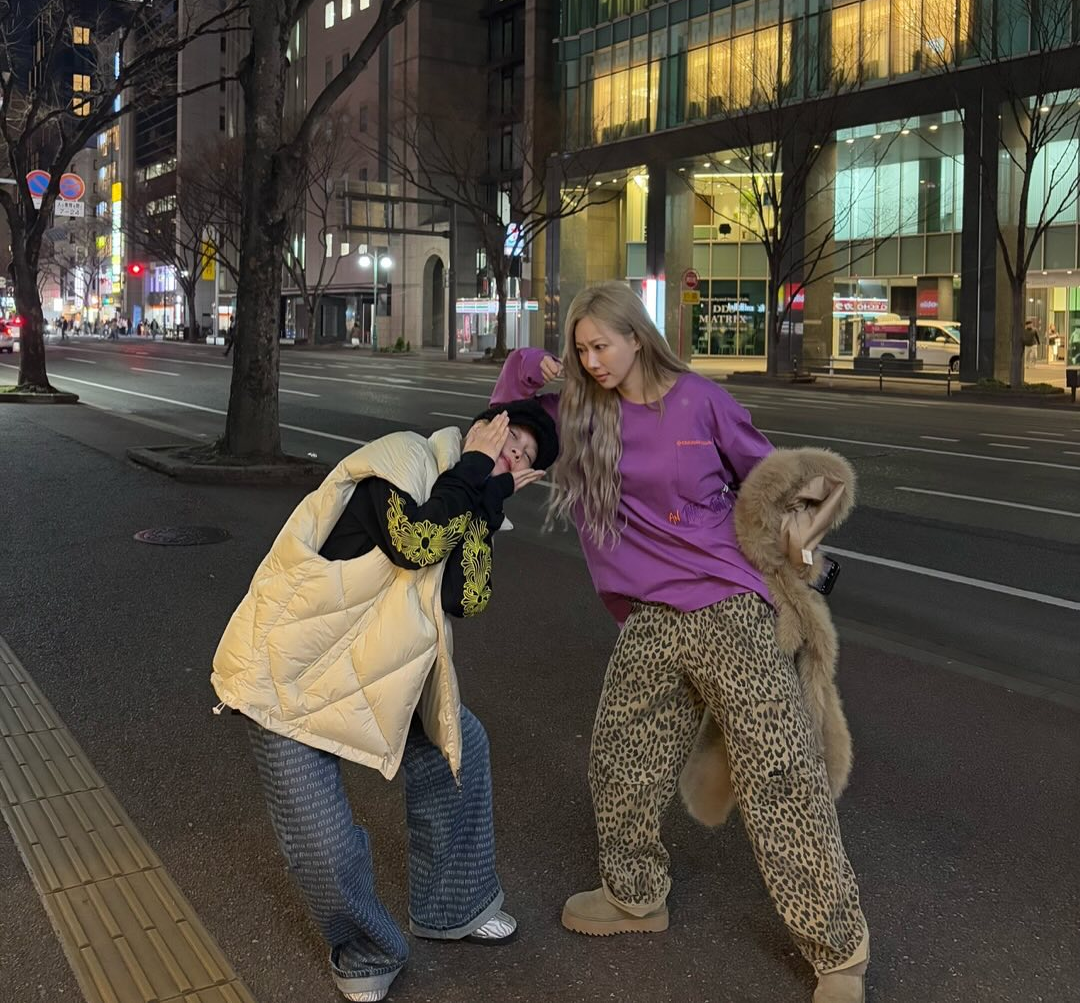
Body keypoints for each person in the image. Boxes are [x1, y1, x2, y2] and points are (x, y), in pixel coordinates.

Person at [492, 281, 869, 1003]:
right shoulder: (583, 410)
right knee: (621, 757)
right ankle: (636, 895)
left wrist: (800, 535)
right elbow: (504, 417)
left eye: (602, 344)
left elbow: (776, 479)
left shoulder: (701, 401)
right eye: (582, 348)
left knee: (780, 772)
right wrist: (531, 363)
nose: (593, 360)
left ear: (638, 337)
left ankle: (839, 949)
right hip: (651, 616)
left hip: (730, 605)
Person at [211, 399, 558, 1003]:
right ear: (481, 426)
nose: (511, 455)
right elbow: (416, 542)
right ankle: (366, 948)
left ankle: (457, 905)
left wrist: (487, 499)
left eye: (523, 458)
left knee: (460, 745)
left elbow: (468, 598)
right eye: (509, 438)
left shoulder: (470, 495)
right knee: (320, 839)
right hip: (289, 670)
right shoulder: (403, 455)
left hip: (377, 671)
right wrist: (476, 473)